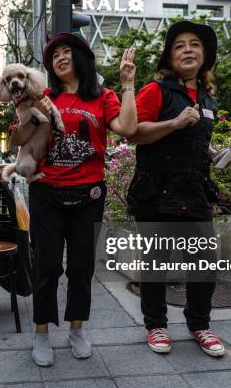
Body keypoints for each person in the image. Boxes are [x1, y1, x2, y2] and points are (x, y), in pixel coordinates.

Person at [10, 32, 137, 367]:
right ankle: (41, 333)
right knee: (47, 266)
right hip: (47, 194)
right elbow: (19, 139)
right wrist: (24, 110)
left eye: (67, 52)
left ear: (82, 58)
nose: (60, 58)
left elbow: (127, 127)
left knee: (81, 268)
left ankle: (76, 328)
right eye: (54, 55)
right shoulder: (42, 94)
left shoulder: (102, 97)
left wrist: (127, 85)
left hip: (89, 195)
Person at [126, 21, 225, 357]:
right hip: (157, 193)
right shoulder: (156, 90)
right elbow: (135, 133)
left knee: (205, 264)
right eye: (179, 45)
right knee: (155, 264)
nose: (187, 49)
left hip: (195, 192)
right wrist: (174, 123)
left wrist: (218, 153)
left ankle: (199, 326)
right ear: (170, 56)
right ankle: (156, 326)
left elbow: (196, 142)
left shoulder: (209, 98)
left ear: (204, 55)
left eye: (194, 44)